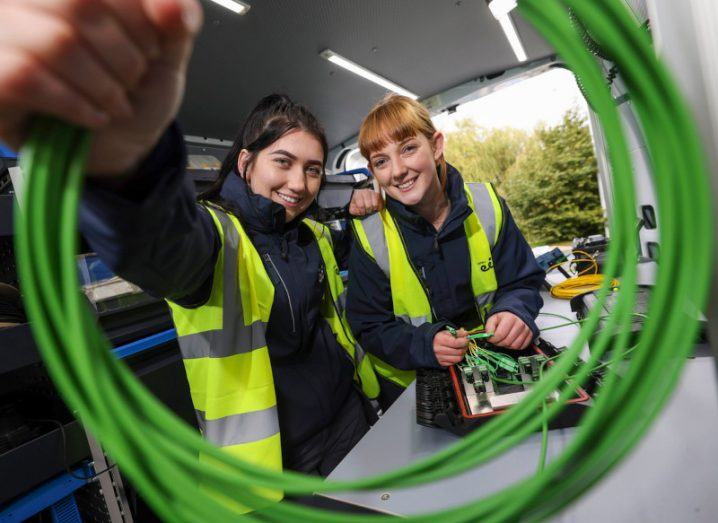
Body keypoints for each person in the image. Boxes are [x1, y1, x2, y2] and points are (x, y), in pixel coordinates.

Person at [0, 0, 384, 479]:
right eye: (282, 162)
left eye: (311, 169)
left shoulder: (310, 234)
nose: (300, 184)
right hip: (278, 466)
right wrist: (126, 157)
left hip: (351, 419)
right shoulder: (216, 237)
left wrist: (365, 205)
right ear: (245, 163)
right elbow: (160, 243)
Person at [347, 94, 544, 408]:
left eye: (408, 148)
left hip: (497, 367)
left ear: (436, 146)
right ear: (373, 172)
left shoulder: (487, 205)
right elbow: (369, 325)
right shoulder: (370, 233)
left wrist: (514, 311)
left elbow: (523, 282)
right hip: (413, 391)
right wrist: (424, 344)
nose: (397, 171)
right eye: (381, 161)